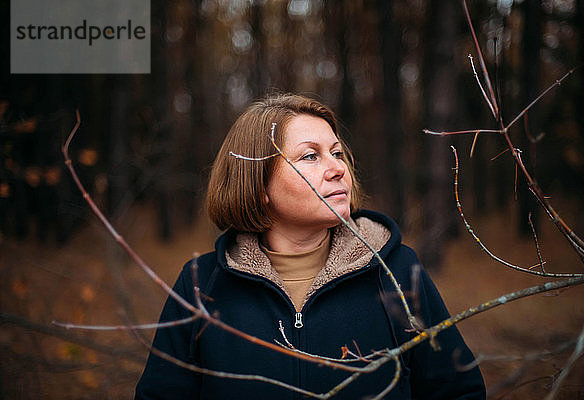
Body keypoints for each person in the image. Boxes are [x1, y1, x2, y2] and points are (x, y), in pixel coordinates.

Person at [135, 93, 486, 399]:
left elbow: (458, 391)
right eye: (310, 156)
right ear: (259, 186)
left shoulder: (396, 271)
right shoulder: (202, 284)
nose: (337, 169)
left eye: (336, 152)